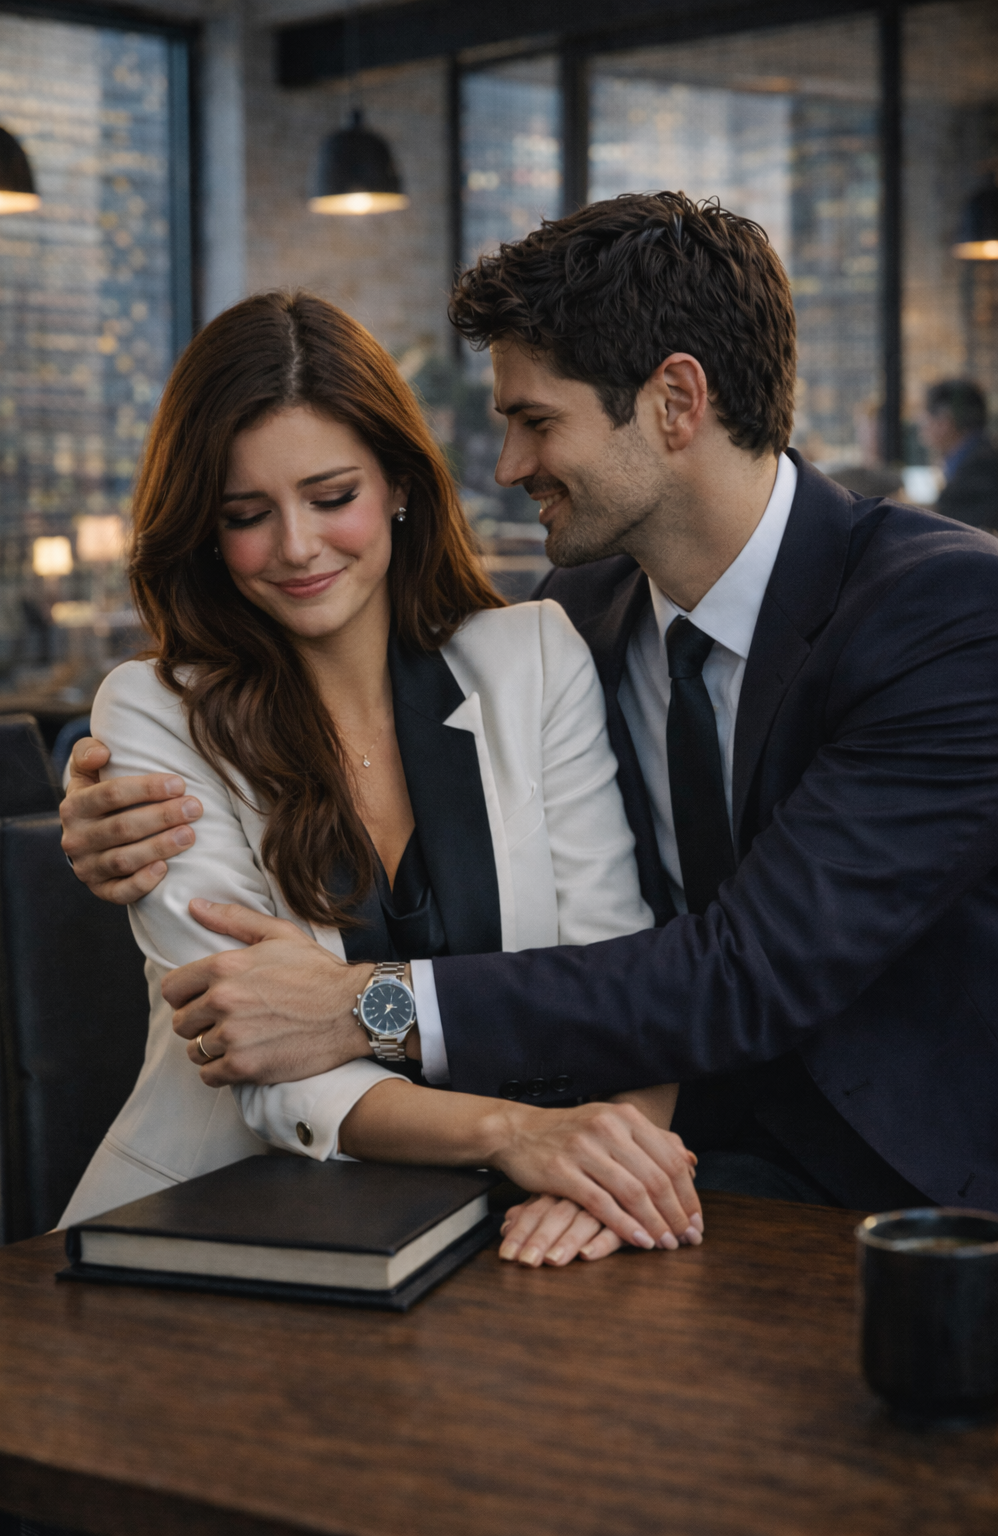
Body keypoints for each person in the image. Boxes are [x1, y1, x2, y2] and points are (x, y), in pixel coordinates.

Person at [62, 193, 998, 1258]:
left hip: (906, 1188)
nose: (506, 467)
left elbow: (741, 970)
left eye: (534, 421)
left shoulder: (944, 616)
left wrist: (363, 1007)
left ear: (675, 402)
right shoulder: (585, 617)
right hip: (598, 1170)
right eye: (244, 514)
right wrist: (88, 798)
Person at [59, 289, 703, 1267]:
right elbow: (266, 1062)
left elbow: (615, 982)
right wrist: (522, 1136)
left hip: (504, 1234)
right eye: (246, 514)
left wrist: (620, 1155)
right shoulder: (153, 713)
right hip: (214, 1231)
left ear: (399, 483)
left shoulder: (533, 660)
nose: (297, 548)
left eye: (331, 497)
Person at [920, 380, 998, 532]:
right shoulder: (982, 457)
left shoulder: (977, 472)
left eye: (926, 415)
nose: (921, 423)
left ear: (944, 421)